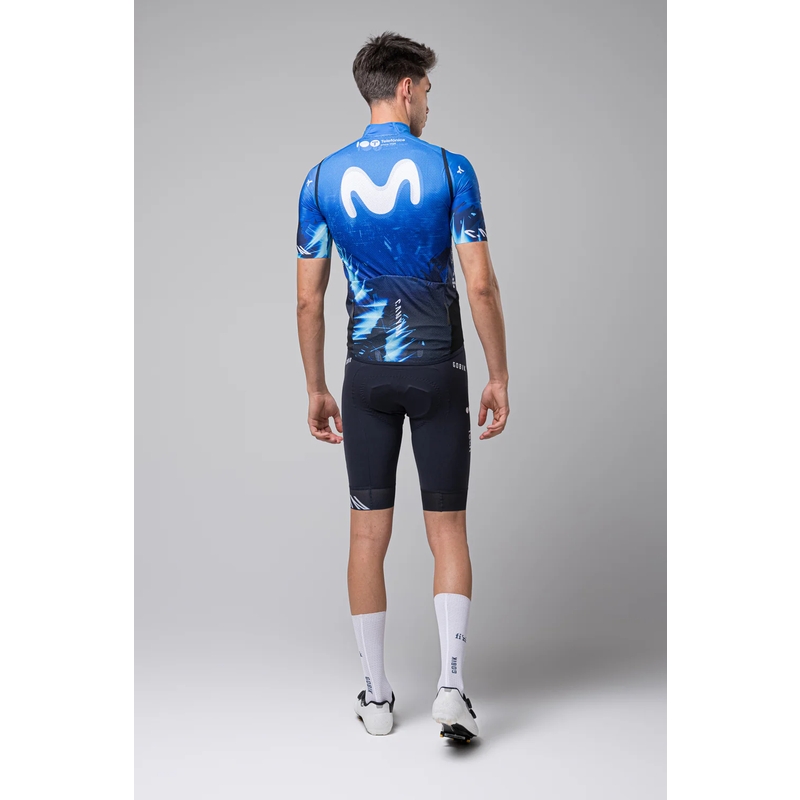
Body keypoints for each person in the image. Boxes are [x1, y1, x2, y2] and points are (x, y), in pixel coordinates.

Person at [295, 31, 509, 741]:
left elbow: (307, 300)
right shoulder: (451, 168)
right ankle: (451, 688)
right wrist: (499, 373)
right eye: (428, 93)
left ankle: (378, 697)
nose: (428, 107)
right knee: (447, 530)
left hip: (365, 375)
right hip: (439, 367)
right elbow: (480, 284)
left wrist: (317, 387)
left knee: (367, 534)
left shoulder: (320, 178)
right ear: (408, 87)